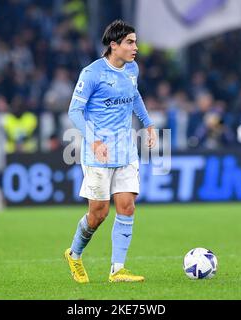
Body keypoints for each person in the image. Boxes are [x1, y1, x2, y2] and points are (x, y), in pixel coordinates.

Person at [65, 20, 157, 283]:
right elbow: (74, 111)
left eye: (135, 42)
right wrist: (93, 141)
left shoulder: (132, 69)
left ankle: (117, 269)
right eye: (130, 42)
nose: (135, 47)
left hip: (125, 151)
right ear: (113, 45)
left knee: (127, 206)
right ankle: (74, 253)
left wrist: (148, 124)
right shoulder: (92, 73)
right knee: (99, 213)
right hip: (98, 153)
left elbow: (134, 96)